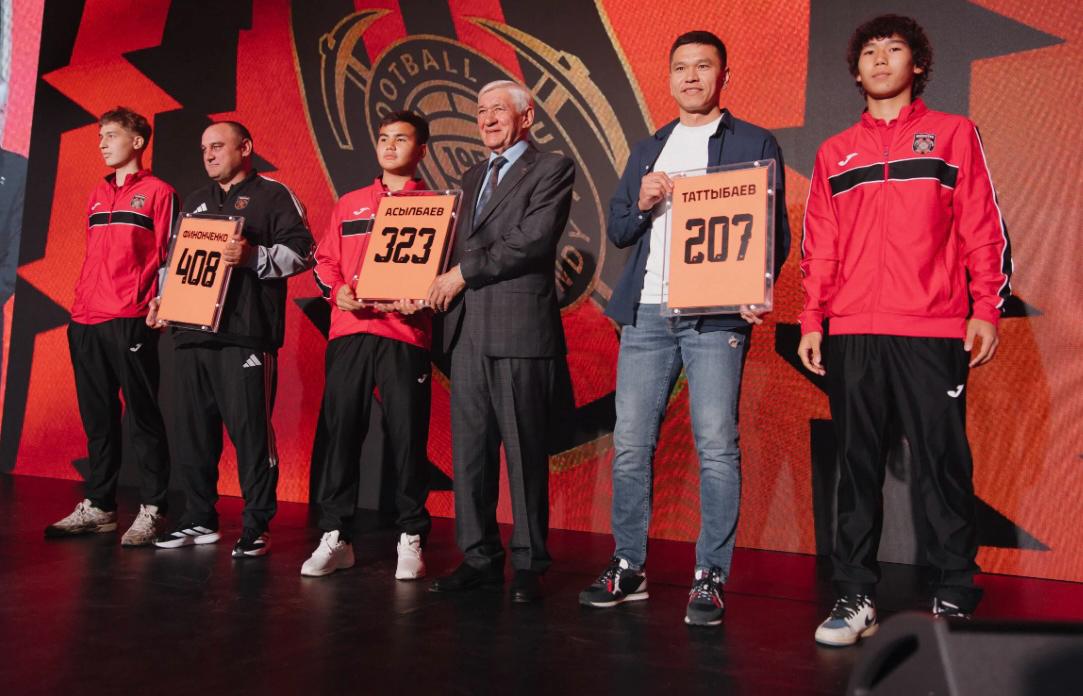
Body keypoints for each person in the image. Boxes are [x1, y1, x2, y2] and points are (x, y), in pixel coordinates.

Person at [798, 15, 1012, 646]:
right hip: (853, 330)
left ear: (916, 64)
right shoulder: (835, 151)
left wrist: (986, 308)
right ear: (856, 70)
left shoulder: (953, 134)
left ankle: (954, 593)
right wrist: (813, 317)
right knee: (856, 466)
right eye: (869, 51)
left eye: (894, 49)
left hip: (932, 327)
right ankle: (855, 596)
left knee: (943, 463)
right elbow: (820, 246)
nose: (880, 59)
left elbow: (981, 227)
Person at [577, 31, 791, 626]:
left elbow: (771, 231)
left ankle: (710, 575)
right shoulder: (651, 148)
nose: (691, 77)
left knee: (716, 446)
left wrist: (755, 288)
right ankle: (628, 565)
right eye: (680, 67)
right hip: (648, 311)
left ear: (724, 76)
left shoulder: (752, 141)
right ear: (668, 77)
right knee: (630, 444)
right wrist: (643, 201)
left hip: (716, 312)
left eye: (703, 66)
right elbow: (620, 228)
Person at [426, 79, 574, 603]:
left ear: (526, 116)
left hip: (518, 329)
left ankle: (530, 563)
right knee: (470, 454)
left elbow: (530, 241)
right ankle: (479, 558)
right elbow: (452, 244)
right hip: (467, 330)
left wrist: (460, 274)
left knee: (525, 453)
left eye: (498, 110)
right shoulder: (471, 176)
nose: (487, 119)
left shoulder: (551, 167)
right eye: (480, 111)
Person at [150, 121, 314, 558]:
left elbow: (304, 251)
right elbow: (176, 261)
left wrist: (252, 255)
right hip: (190, 332)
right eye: (204, 148)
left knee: (250, 433)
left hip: (245, 334)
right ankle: (199, 517)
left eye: (218, 146)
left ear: (246, 148)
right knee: (192, 433)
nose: (208, 154)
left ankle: (256, 524)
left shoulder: (274, 195)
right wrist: (163, 301)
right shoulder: (196, 200)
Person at [302, 111, 434, 579]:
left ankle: (411, 536)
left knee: (408, 438)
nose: (390, 145)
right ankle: (336, 535)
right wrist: (336, 291)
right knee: (341, 435)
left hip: (404, 333)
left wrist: (423, 296)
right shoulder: (350, 203)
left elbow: (444, 272)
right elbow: (324, 261)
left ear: (421, 150)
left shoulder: (436, 206)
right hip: (350, 331)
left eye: (401, 138)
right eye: (383, 138)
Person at [45, 107, 175, 547]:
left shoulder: (159, 192)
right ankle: (100, 506)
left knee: (142, 415)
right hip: (85, 318)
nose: (102, 143)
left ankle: (153, 507)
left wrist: (161, 300)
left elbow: (168, 254)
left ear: (137, 141)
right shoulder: (98, 193)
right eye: (100, 136)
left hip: (129, 317)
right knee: (98, 418)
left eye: (112, 135)